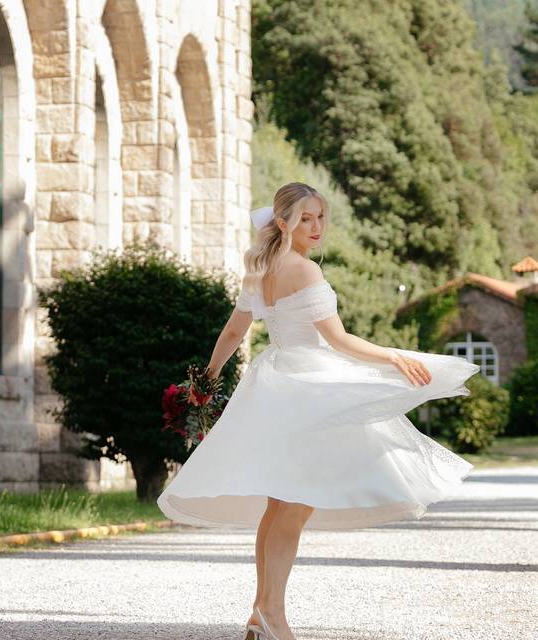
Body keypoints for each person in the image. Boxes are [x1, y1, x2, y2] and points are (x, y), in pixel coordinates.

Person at [156, 182, 480, 640]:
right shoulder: (305, 272)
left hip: (274, 386)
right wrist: (392, 356)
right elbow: (339, 341)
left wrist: (206, 381)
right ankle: (272, 613)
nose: (316, 227)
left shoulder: (259, 269)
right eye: (306, 218)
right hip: (306, 387)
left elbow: (233, 334)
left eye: (321, 217)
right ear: (283, 221)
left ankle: (258, 612)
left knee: (280, 505)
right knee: (293, 506)